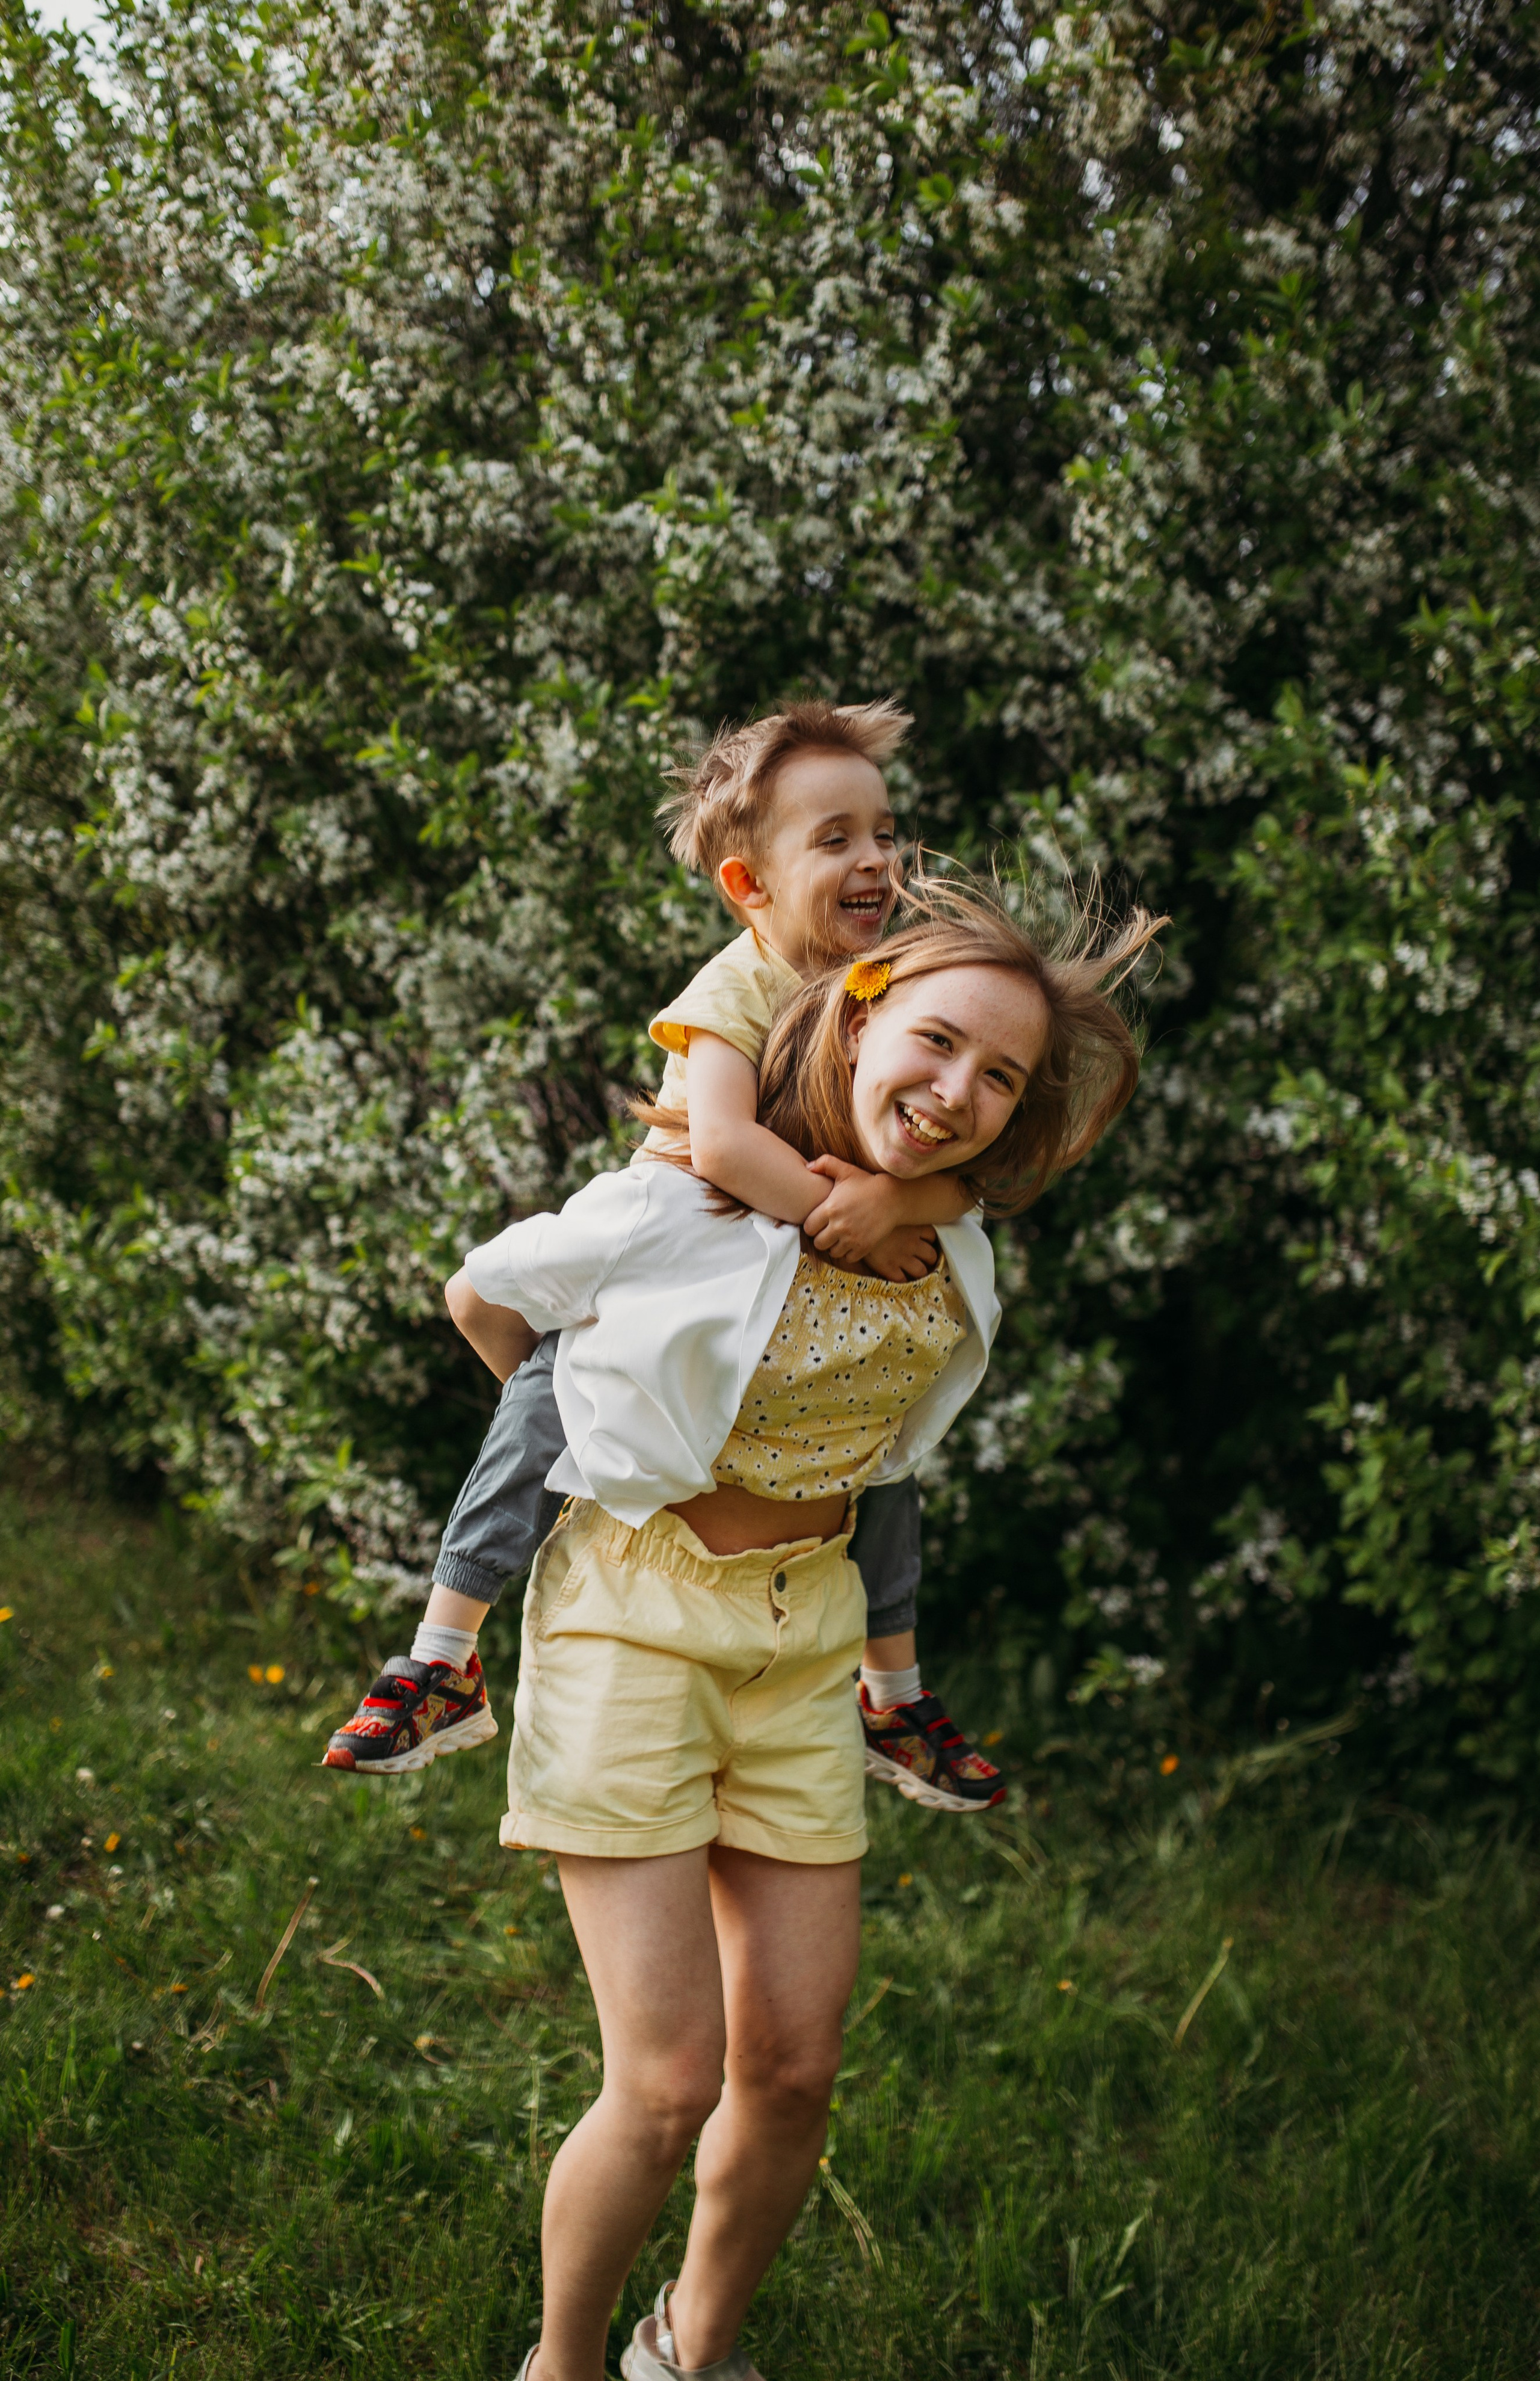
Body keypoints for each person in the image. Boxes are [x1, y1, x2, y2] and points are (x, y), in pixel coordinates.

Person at [436, 880, 1162, 2381]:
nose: (954, 1090)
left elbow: (900, 1429)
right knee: (663, 2083)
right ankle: (561, 2364)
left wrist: (915, 1200)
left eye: (999, 1075)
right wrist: (601, 1430)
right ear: (855, 1013)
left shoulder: (949, 1246)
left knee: (790, 2068)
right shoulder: (686, 1196)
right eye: (936, 1039)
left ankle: (687, 2351)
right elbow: (486, 1296)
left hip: (806, 1634)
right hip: (632, 1617)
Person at [325, 700, 1003, 1810]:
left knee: (878, 1455)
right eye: (835, 838)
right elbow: (726, 1144)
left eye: (886, 833)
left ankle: (893, 1693)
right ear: (750, 885)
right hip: (677, 1243)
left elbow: (974, 1159)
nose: (876, 859)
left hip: (797, 1288)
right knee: (550, 1378)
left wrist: (895, 1199)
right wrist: (842, 1217)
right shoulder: (737, 984)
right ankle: (443, 1653)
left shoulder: (903, 979)